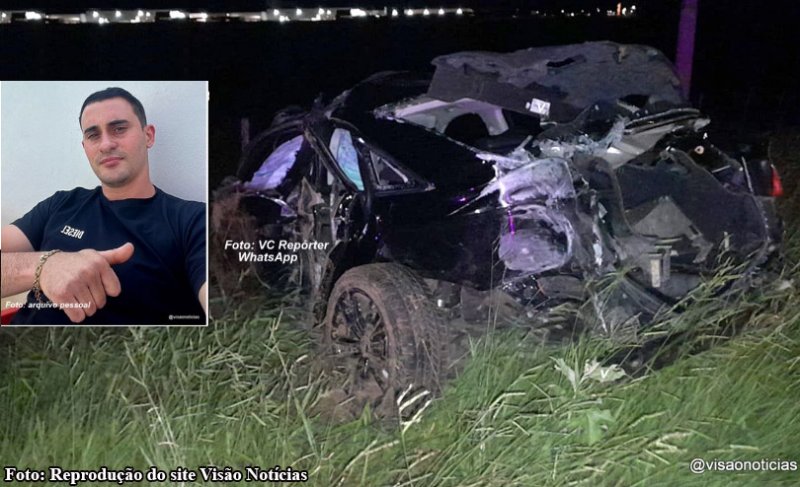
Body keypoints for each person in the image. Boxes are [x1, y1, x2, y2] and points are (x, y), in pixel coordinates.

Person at [0, 87, 207, 325]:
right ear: (85, 147)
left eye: (119, 129)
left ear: (148, 136)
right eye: (93, 135)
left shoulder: (192, 220)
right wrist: (44, 266)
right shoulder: (61, 204)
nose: (106, 144)